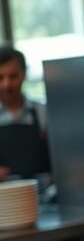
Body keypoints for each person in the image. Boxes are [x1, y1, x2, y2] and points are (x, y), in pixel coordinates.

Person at [0, 45, 50, 179]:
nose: (7, 84)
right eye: (0, 78)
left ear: (24, 74)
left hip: (42, 193)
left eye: (13, 76)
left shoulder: (43, 112)